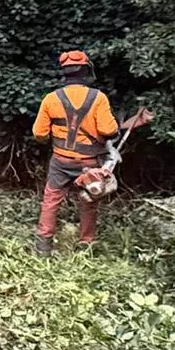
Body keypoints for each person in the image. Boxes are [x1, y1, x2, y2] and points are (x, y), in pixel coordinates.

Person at [31, 49, 119, 255]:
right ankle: (86, 245)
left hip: (60, 160)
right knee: (89, 200)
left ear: (65, 73)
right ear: (86, 71)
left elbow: (38, 133)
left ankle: (43, 247)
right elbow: (108, 130)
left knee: (51, 200)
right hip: (89, 162)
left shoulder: (51, 99)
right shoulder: (98, 98)